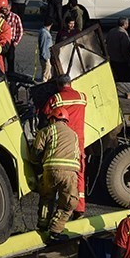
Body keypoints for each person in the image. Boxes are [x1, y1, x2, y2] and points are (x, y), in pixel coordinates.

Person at [29, 107, 80, 243]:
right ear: (65, 121)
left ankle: (42, 225)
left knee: (46, 198)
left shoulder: (46, 131)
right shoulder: (74, 134)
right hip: (69, 173)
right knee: (67, 203)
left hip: (50, 171)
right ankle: (55, 233)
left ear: (52, 119)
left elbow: (35, 155)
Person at [42, 74, 87, 216]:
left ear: (58, 85)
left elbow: (45, 114)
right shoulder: (82, 97)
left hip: (61, 139)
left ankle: (52, 211)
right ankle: (79, 208)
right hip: (78, 139)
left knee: (58, 170)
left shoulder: (56, 99)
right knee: (78, 173)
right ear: (70, 83)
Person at [106, 17, 130, 81]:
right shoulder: (123, 33)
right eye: (127, 23)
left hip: (112, 58)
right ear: (124, 24)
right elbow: (125, 48)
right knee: (123, 79)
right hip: (121, 60)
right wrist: (128, 59)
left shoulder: (111, 31)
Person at [4, 5, 23, 73]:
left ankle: (11, 79)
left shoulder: (15, 17)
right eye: (3, 8)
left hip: (10, 42)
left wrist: (16, 42)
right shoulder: (0, 16)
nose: (5, 10)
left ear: (10, 7)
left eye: (6, 8)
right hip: (1, 42)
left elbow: (20, 31)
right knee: (1, 61)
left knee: (10, 61)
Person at [38, 18, 53, 82]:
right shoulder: (44, 33)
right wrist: (45, 57)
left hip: (46, 55)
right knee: (45, 74)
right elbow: (43, 45)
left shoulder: (43, 31)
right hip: (45, 56)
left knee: (48, 73)